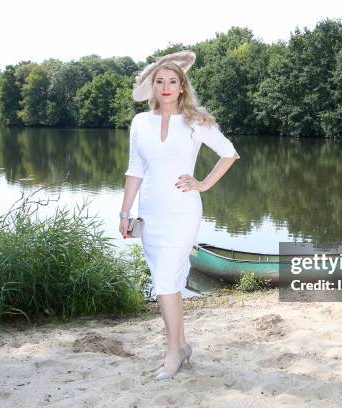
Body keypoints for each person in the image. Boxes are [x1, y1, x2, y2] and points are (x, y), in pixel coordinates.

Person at [118, 50, 240, 381]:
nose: (167, 86)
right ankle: (182, 346)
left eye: (173, 81)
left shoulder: (196, 121)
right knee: (167, 280)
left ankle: (172, 353)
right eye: (160, 81)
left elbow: (229, 154)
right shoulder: (140, 122)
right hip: (150, 212)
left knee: (163, 282)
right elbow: (135, 169)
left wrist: (202, 184)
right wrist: (125, 211)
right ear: (152, 87)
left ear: (182, 86)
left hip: (183, 210)